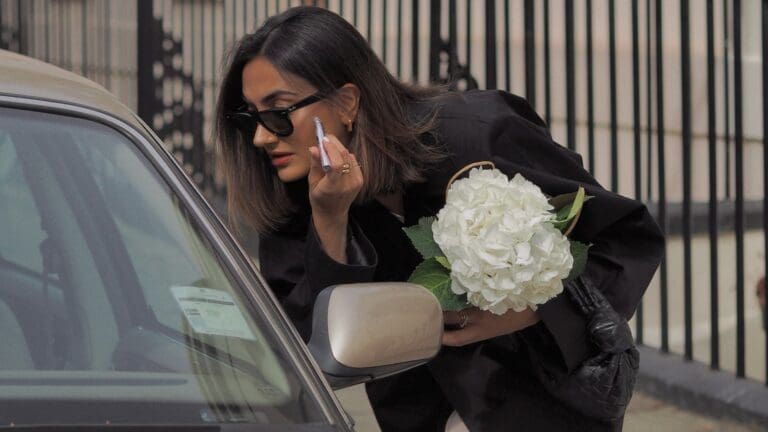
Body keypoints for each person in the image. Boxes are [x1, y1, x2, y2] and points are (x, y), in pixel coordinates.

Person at [214, 6, 665, 431]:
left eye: (278, 112)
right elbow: (312, 335)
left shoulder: (476, 138)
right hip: (420, 415)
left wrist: (526, 311)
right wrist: (330, 218)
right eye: (249, 115)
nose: (259, 136)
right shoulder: (296, 193)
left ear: (347, 101)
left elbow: (624, 240)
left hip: (542, 400)